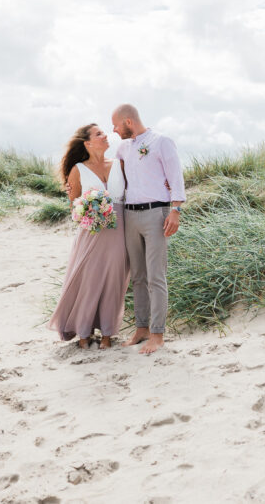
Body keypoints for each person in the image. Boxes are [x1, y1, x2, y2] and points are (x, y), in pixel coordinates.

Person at [47, 124, 128, 349]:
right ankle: (84, 333)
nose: (105, 136)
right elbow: (73, 206)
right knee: (88, 281)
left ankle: (107, 335)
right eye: (99, 134)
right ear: (87, 143)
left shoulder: (120, 165)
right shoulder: (78, 170)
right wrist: (90, 210)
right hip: (91, 232)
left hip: (119, 230)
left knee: (114, 281)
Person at [112, 104, 185, 355]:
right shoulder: (122, 148)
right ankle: (141, 328)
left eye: (116, 125)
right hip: (130, 214)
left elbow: (176, 177)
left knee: (156, 275)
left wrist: (176, 210)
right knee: (138, 276)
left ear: (128, 122)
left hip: (157, 213)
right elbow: (114, 179)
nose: (113, 129)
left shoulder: (162, 141)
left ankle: (157, 334)